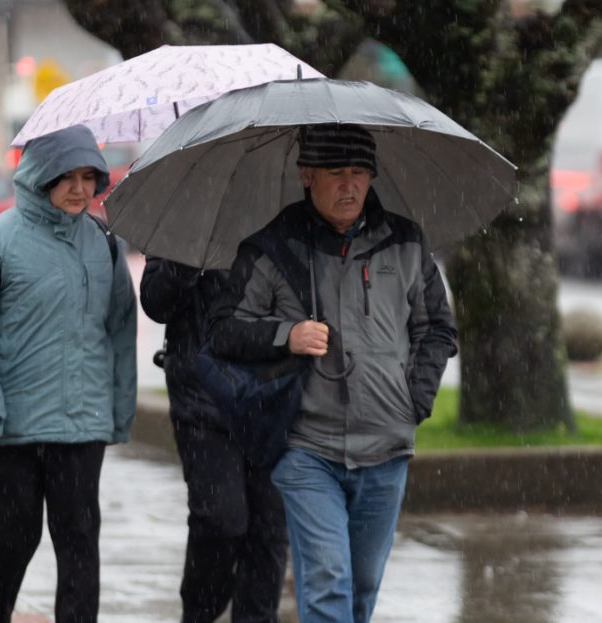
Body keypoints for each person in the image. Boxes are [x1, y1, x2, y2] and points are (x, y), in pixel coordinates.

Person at [207, 124, 458, 623]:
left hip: (387, 448)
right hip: (306, 449)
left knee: (361, 588)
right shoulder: (272, 247)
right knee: (327, 584)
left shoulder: (405, 242)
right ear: (307, 175)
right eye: (336, 173)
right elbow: (223, 331)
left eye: (359, 173)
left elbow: (437, 330)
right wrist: (287, 335)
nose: (350, 186)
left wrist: (415, 399)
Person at [0, 124, 138, 623]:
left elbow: (121, 329)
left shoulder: (105, 244)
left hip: (81, 425)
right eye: (66, 177)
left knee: (79, 541)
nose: (79, 189)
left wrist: (119, 410)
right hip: (9, 430)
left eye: (88, 177)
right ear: (38, 176)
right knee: (16, 535)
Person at [140, 259, 288, 623]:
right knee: (221, 520)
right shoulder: (192, 220)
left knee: (269, 531)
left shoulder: (286, 219)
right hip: (203, 404)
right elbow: (155, 302)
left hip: (271, 401)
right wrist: (188, 264)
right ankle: (199, 613)